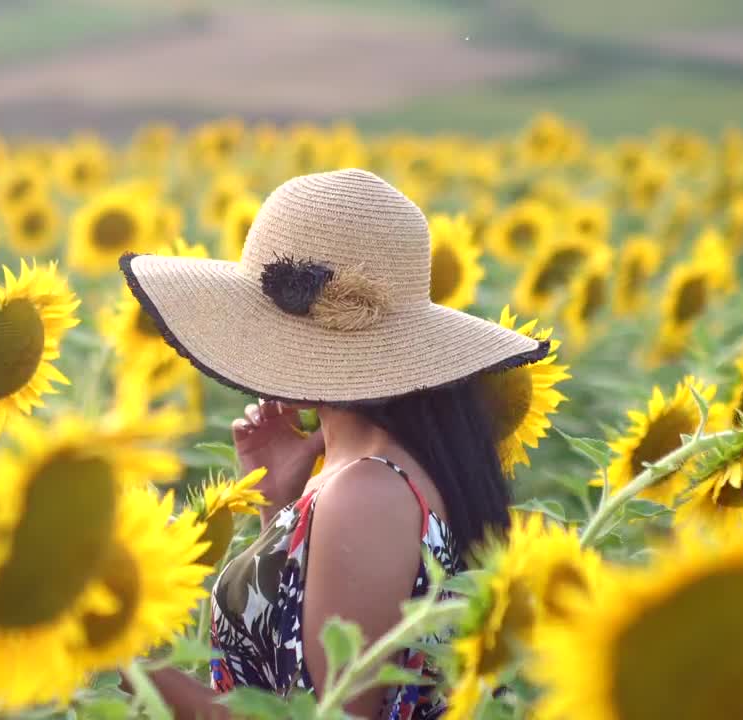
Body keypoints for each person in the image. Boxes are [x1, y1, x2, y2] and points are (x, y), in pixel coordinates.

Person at [118, 169, 549, 719]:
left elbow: (324, 715)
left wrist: (121, 658)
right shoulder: (370, 471)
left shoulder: (369, 491)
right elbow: (293, 652)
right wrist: (281, 503)